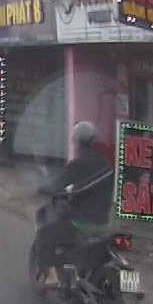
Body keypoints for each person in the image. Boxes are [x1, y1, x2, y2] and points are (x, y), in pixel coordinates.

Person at [34, 121, 114, 287]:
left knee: (44, 234)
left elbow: (56, 185)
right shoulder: (106, 165)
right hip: (103, 224)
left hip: (80, 224)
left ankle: (52, 277)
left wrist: (41, 188)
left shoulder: (78, 163)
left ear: (77, 142)